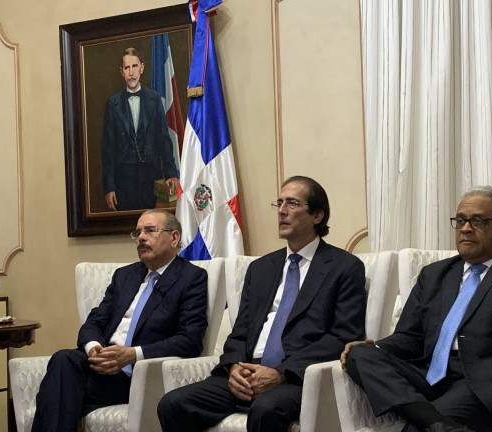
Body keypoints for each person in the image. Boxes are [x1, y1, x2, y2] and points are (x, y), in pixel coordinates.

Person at [341, 186, 492, 432]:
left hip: (479, 383)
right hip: (428, 373)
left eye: (478, 221)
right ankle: (436, 422)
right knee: (359, 354)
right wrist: (374, 348)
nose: (465, 228)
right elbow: (410, 338)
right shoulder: (433, 275)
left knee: (413, 430)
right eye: (460, 220)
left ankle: (426, 420)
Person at [158, 176, 366, 432]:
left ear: (317, 216)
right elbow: (240, 332)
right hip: (247, 373)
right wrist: (234, 367)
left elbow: (343, 336)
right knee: (173, 403)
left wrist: (281, 373)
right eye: (279, 203)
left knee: (266, 409)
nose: (281, 211)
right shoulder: (260, 269)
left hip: (298, 378)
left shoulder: (344, 267)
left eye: (292, 203)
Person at [31, 209, 208, 432]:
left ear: (174, 238)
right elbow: (93, 322)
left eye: (150, 230)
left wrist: (132, 354)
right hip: (102, 369)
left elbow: (189, 340)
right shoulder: (125, 276)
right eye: (138, 232)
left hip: (139, 376)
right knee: (64, 360)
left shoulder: (191, 278)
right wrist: (94, 349)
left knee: (57, 394)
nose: (141, 237)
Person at [101, 47, 179, 211]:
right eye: (127, 68)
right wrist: (109, 187)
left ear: (142, 68)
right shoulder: (112, 104)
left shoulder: (154, 98)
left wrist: (172, 173)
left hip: (151, 176)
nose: (131, 72)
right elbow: (107, 149)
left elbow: (164, 139)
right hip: (124, 179)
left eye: (134, 66)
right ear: (121, 71)